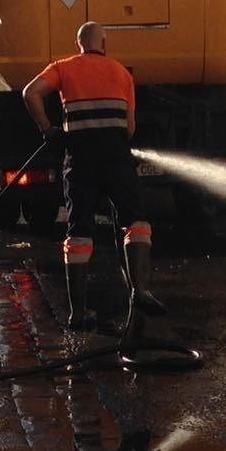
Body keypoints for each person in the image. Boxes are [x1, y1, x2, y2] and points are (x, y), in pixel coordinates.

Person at [23, 22, 165, 330]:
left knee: (79, 232)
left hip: (80, 158)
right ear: (105, 44)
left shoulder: (63, 68)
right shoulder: (121, 73)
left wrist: (48, 130)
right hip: (116, 158)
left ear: (78, 45)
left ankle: (78, 313)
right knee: (136, 223)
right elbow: (129, 129)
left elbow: (30, 93)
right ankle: (140, 292)